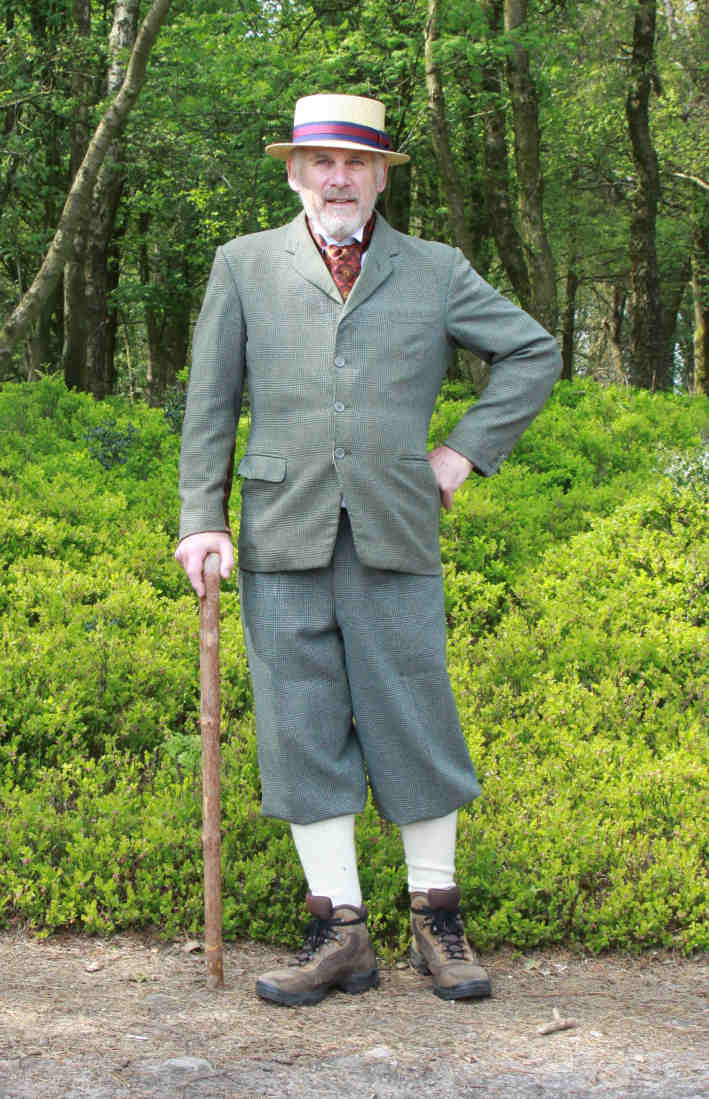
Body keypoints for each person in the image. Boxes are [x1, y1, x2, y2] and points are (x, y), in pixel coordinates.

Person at [176, 93, 562, 1007]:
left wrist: (461, 452)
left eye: (358, 162)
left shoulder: (435, 269)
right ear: (293, 172)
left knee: (413, 714)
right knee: (299, 724)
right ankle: (339, 930)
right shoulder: (242, 264)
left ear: (382, 176)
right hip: (280, 527)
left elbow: (532, 353)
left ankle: (436, 918)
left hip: (396, 523)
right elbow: (211, 400)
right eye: (322, 161)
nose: (339, 177)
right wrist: (202, 516)